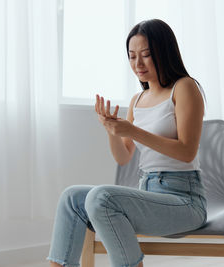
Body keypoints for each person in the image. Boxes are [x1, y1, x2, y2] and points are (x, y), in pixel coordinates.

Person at [47, 19, 207, 267]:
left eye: (146, 55)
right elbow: (123, 157)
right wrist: (112, 129)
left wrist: (132, 130)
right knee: (72, 197)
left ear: (164, 52)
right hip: (148, 194)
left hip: (184, 201)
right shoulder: (137, 99)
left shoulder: (184, 87)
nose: (137, 64)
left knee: (102, 197)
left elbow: (187, 152)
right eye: (132, 56)